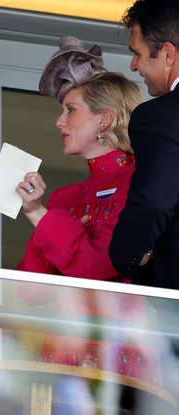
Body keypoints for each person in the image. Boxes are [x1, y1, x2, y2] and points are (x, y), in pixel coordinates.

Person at [16, 36, 159, 385]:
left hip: (116, 361)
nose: (59, 122)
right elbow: (31, 290)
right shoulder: (64, 197)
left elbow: (93, 266)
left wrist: (43, 218)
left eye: (70, 109)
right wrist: (42, 215)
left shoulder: (142, 184)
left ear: (104, 119)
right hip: (58, 354)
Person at [108, 0, 179, 289]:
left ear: (167, 53)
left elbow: (153, 200)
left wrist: (128, 255)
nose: (133, 66)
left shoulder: (159, 115)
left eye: (137, 53)